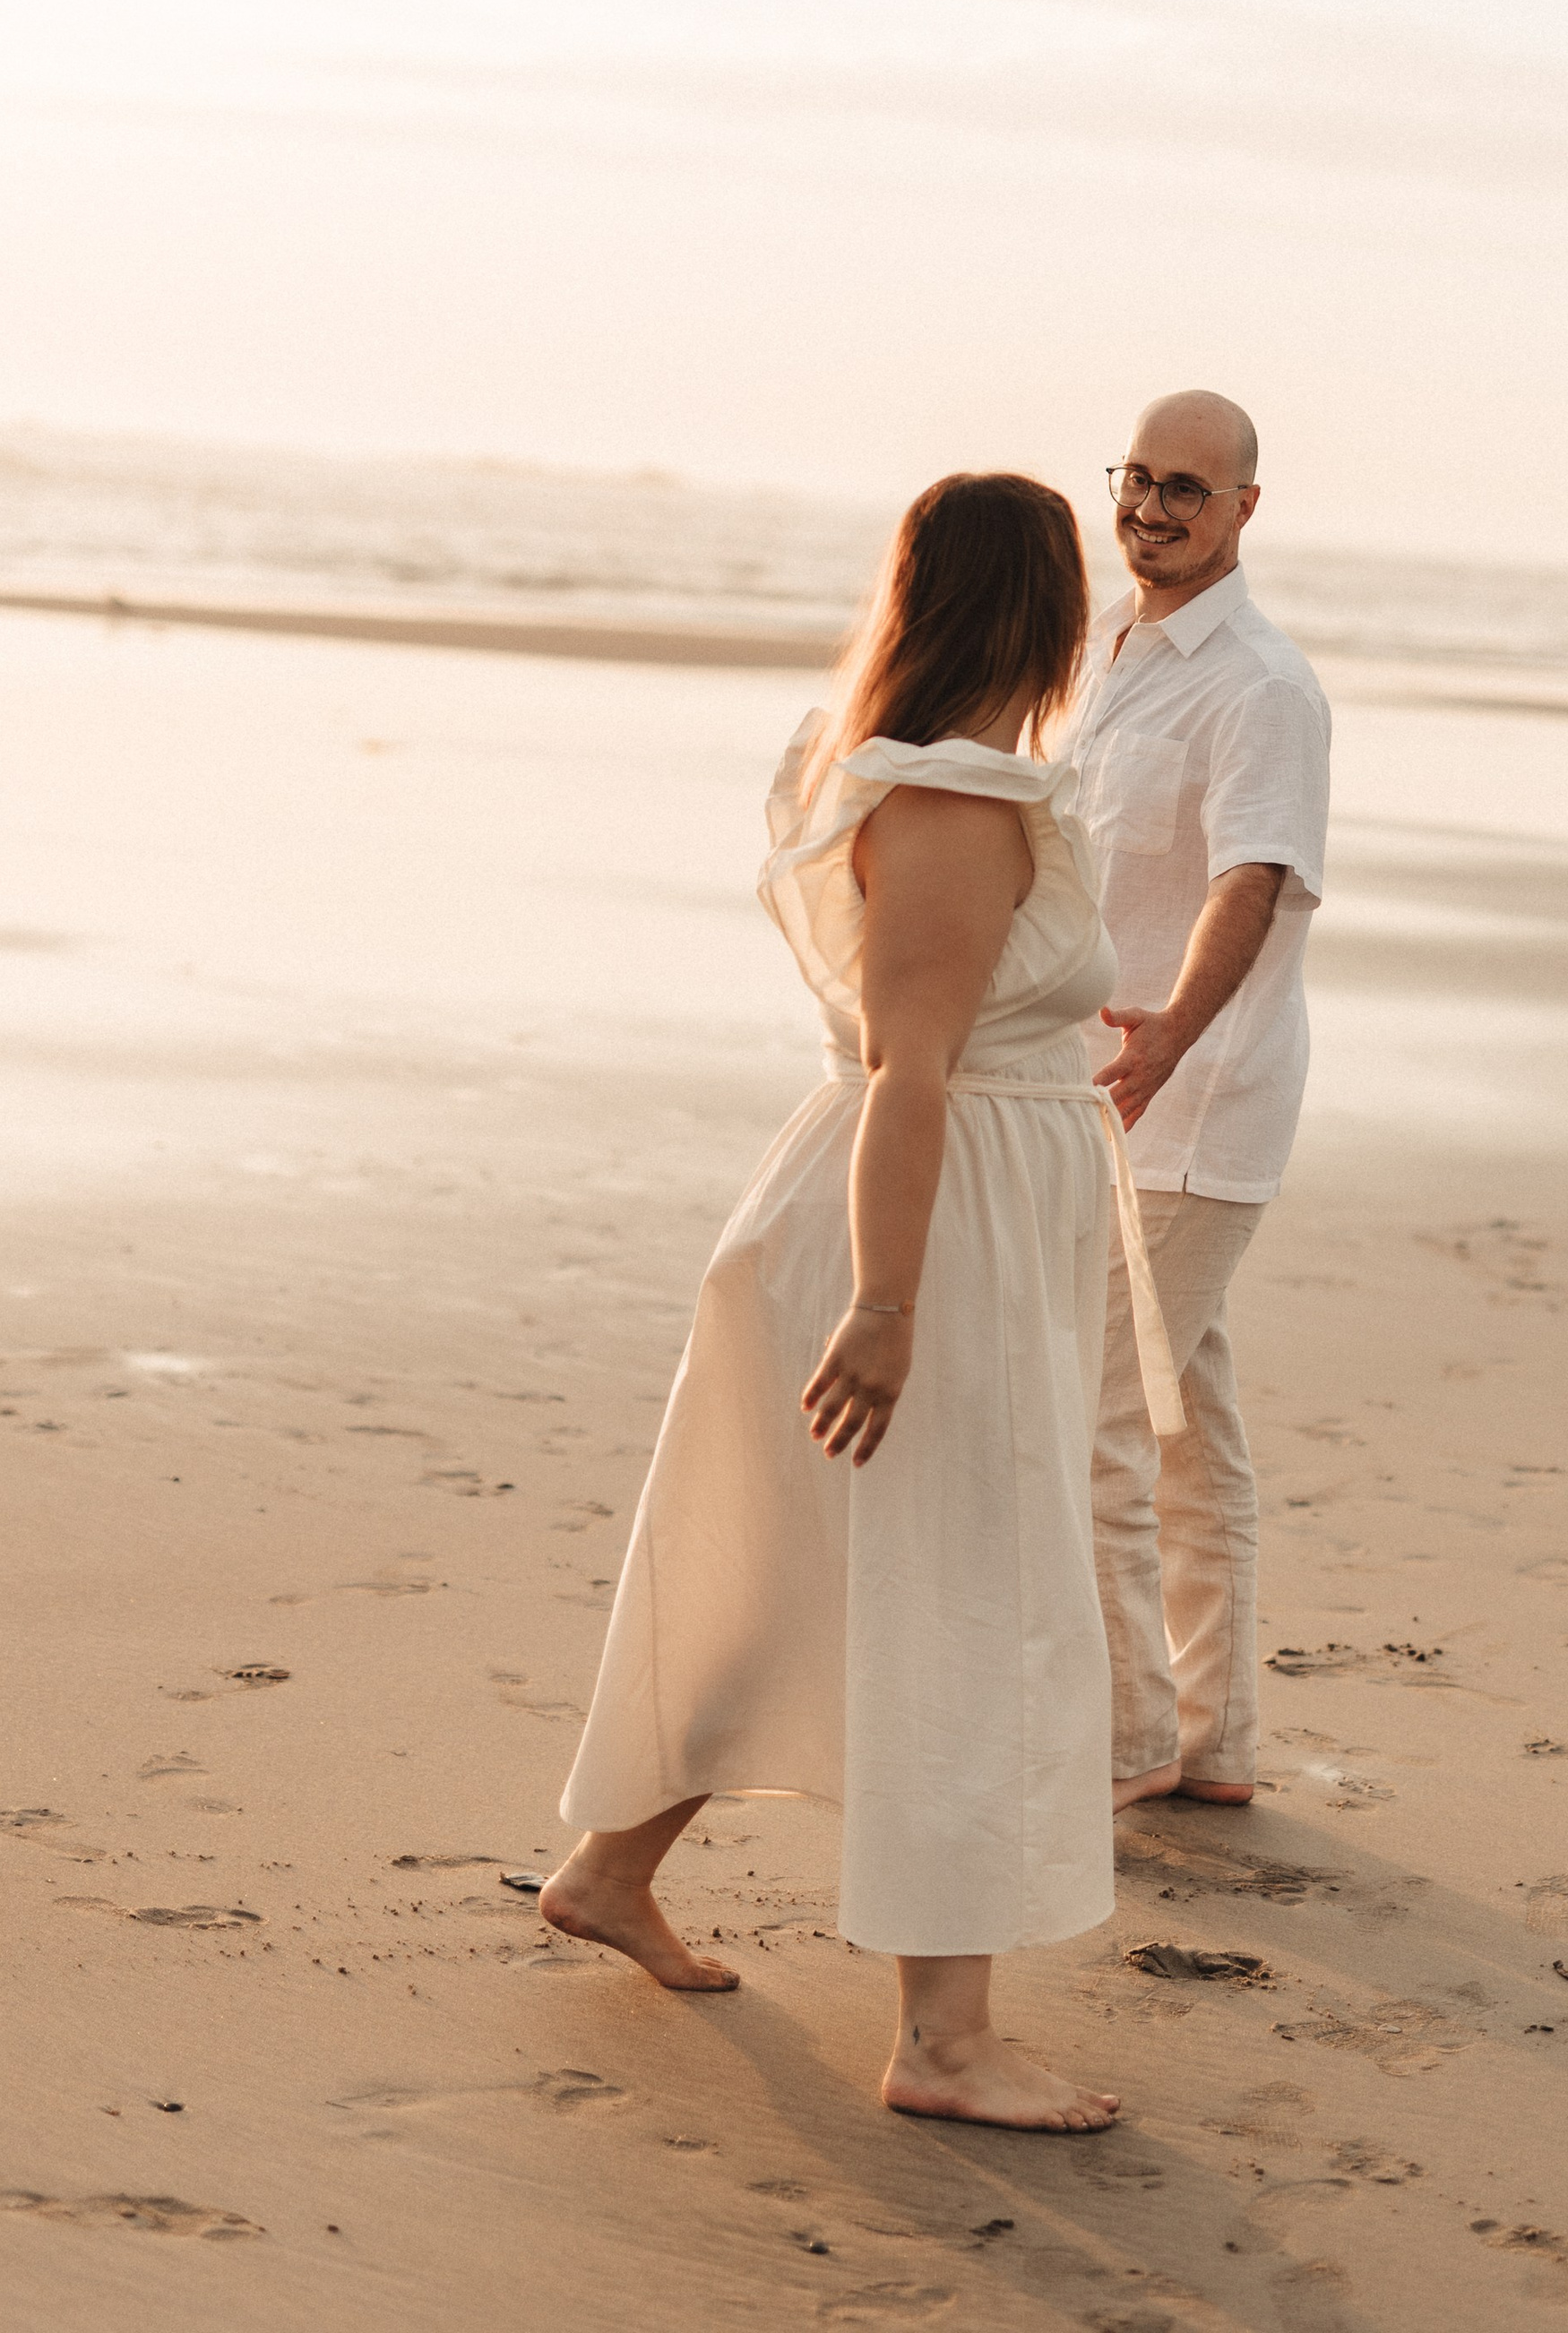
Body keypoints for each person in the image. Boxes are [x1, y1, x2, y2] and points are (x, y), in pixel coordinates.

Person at [539, 471, 1182, 2132]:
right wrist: (889, 1310)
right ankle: (946, 2041)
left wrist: (1055, 1039)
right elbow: (911, 1067)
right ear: (1044, 610)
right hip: (923, 1238)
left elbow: (951, 1024)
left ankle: (611, 1871)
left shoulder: (919, 772)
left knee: (806, 1573)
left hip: (938, 1216)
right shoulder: (955, 794)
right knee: (970, 1597)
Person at [1072, 392, 1331, 1816]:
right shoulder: (1104, 649)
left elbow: (1255, 875)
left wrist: (1173, 1031)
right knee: (1187, 1430)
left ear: (1244, 508)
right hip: (1099, 1097)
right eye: (1138, 478)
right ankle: (1212, 1737)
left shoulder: (1262, 688)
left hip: (1191, 1104)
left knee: (1096, 1426)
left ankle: (1127, 1742)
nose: (1152, 508)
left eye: (1187, 488)